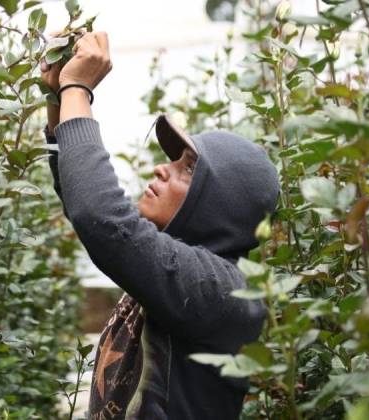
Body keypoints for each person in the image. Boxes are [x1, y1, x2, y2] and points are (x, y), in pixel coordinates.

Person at [40, 31, 279, 419]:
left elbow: (102, 221)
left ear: (220, 203)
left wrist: (79, 88)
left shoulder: (224, 291)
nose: (162, 169)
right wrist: (59, 99)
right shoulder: (178, 269)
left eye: (187, 169)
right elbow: (83, 203)